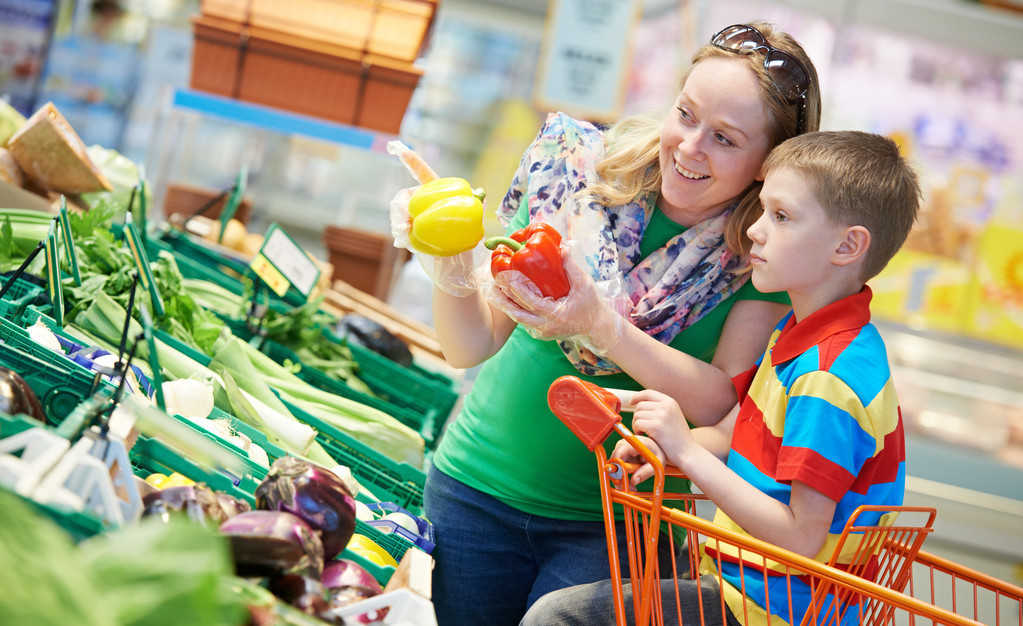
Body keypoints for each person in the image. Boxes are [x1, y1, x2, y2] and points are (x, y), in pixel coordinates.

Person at [393, 22, 822, 625]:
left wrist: (601, 324)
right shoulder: (571, 170)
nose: (690, 146)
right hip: (474, 493)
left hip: (618, 529)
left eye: (725, 138)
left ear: (766, 164)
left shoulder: (762, 254)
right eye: (686, 114)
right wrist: (449, 258)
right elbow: (470, 344)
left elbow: (720, 401)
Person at [520, 129, 921, 626]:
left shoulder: (829, 377)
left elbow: (799, 537)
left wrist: (686, 452)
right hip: (742, 589)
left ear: (847, 246)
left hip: (771, 609)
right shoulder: (799, 337)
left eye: (781, 216)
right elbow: (733, 436)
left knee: (557, 619)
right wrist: (666, 443)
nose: (754, 229)